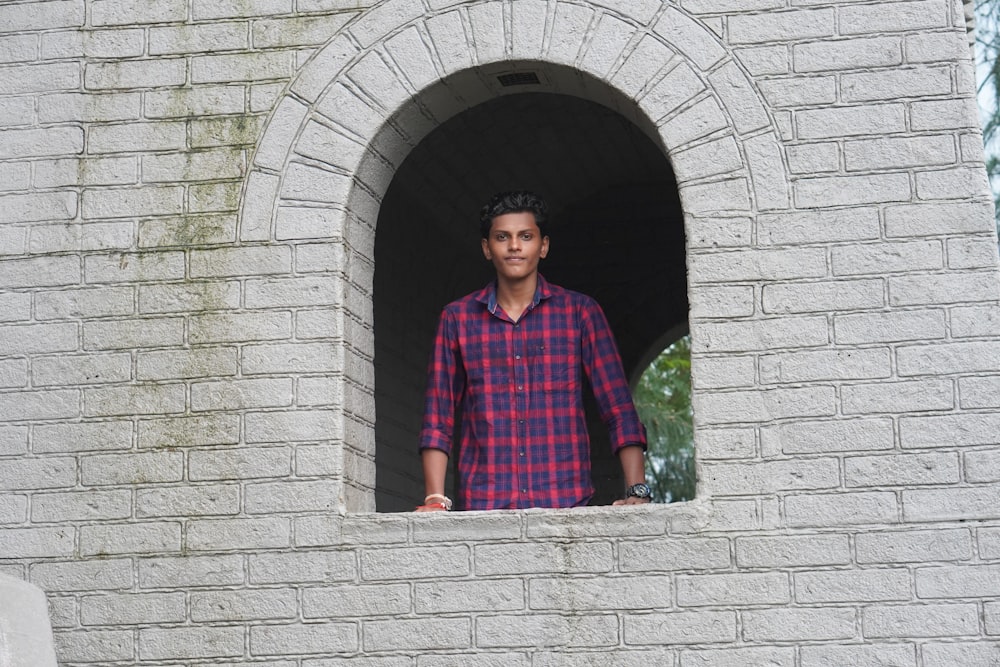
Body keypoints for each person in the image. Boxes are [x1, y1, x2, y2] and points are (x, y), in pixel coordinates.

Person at [416, 191, 651, 511]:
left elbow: (618, 408)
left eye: (525, 236)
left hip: (566, 504)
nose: (514, 246)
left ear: (543, 246)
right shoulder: (457, 319)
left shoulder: (580, 313)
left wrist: (637, 491)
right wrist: (434, 499)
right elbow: (438, 416)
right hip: (485, 505)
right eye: (502, 237)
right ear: (487, 248)